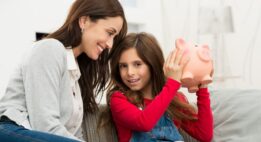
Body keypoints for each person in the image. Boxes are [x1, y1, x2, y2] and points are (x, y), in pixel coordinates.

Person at [0, 0, 127, 141]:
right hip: (11, 130)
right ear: (84, 21)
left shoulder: (76, 75)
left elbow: (73, 135)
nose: (110, 44)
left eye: (114, 37)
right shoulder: (49, 48)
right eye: (109, 33)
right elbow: (45, 126)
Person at [99, 32, 213, 142]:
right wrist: (172, 83)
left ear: (152, 64)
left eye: (137, 64)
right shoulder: (119, 99)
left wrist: (202, 87)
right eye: (123, 66)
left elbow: (204, 135)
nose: (130, 72)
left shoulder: (174, 100)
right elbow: (144, 123)